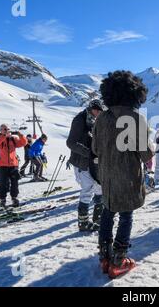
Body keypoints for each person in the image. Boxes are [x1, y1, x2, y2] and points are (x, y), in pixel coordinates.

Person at [92, 71, 154, 279]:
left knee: (107, 212)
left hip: (108, 174)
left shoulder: (102, 117)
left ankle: (104, 256)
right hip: (128, 175)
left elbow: (95, 147)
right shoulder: (136, 118)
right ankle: (119, 260)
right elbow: (146, 153)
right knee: (126, 215)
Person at [67, 99, 104, 232]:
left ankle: (98, 218)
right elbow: (71, 143)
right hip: (82, 162)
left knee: (100, 187)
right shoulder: (80, 120)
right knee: (87, 190)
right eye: (96, 110)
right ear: (90, 108)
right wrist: (89, 153)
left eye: (100, 111)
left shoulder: (94, 120)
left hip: (93, 162)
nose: (98, 113)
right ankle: (83, 223)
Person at [0, 124, 27, 208]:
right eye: (5, 129)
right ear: (1, 130)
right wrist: (3, 136)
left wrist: (20, 135)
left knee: (14, 182)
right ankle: (2, 199)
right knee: (3, 183)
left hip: (13, 164)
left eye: (8, 129)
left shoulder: (13, 139)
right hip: (2, 165)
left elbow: (23, 143)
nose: (7, 130)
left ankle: (14, 198)